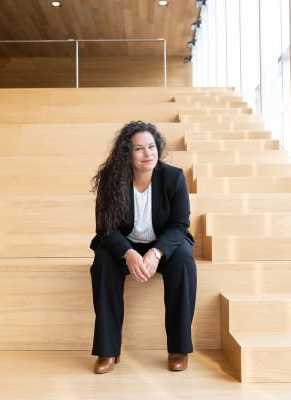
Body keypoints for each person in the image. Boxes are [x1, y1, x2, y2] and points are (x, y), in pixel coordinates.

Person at [89, 120, 197, 374]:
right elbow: (105, 227)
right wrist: (128, 253)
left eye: (151, 147)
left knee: (183, 261)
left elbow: (180, 224)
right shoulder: (111, 180)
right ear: (127, 153)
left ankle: (179, 348)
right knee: (103, 263)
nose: (148, 153)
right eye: (139, 149)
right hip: (123, 244)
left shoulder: (173, 177)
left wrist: (155, 252)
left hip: (163, 242)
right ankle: (107, 350)